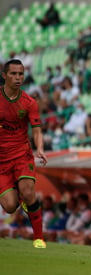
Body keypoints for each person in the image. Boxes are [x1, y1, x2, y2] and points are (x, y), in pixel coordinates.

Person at [0, 59, 48, 248]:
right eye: (13, 74)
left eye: (21, 74)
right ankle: (21, 198)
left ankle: (39, 238)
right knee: (10, 206)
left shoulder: (29, 102)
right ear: (4, 75)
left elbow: (36, 129)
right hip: (1, 161)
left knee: (29, 192)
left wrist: (40, 148)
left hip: (21, 154)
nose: (18, 77)